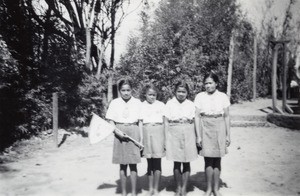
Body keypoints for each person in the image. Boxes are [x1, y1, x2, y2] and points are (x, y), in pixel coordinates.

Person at [194, 71, 231, 196]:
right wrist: (198, 136)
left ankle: (216, 189)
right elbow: (197, 117)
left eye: (210, 83)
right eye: (206, 83)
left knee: (217, 159)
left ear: (216, 84)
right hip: (205, 126)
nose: (208, 86)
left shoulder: (223, 97)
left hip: (219, 126)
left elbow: (226, 116)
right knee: (208, 159)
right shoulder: (200, 97)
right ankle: (208, 188)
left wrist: (228, 135)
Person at [105, 78, 143, 196]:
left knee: (133, 164)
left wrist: (141, 138)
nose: (126, 93)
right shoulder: (115, 102)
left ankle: (133, 192)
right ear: (119, 91)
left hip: (134, 131)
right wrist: (117, 132)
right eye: (123, 90)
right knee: (122, 164)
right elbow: (110, 120)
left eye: (128, 90)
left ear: (132, 90)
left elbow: (140, 121)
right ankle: (124, 192)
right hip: (119, 132)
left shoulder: (137, 102)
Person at [165, 81, 198, 196]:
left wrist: (196, 136)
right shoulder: (169, 103)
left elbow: (195, 121)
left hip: (188, 130)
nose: (181, 94)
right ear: (175, 92)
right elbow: (166, 121)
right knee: (177, 161)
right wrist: (166, 137)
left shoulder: (191, 104)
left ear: (187, 93)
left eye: (183, 92)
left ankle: (184, 188)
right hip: (174, 130)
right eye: (179, 91)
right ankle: (178, 187)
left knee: (187, 161)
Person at [139, 84, 165, 196]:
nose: (152, 97)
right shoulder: (141, 105)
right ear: (145, 94)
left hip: (158, 131)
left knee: (157, 161)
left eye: (154, 95)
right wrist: (141, 138)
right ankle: (150, 189)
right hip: (146, 131)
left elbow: (165, 122)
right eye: (150, 94)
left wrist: (164, 138)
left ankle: (156, 189)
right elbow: (140, 122)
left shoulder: (161, 105)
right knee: (149, 161)